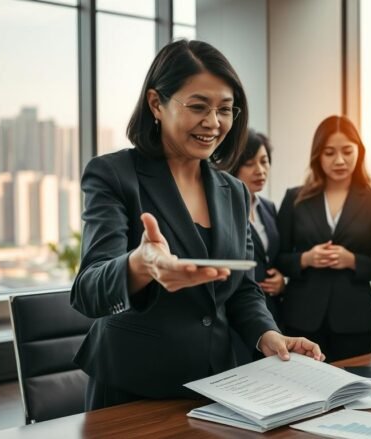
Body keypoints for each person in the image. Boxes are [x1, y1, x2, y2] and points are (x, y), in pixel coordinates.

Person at [71, 40, 323, 411]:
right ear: (156, 103)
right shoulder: (113, 175)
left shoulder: (234, 191)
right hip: (132, 388)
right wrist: (141, 265)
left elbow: (242, 289)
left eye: (225, 109)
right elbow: (88, 290)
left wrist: (267, 335)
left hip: (216, 384)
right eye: (198, 107)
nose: (213, 123)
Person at [275, 115, 371, 362]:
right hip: (301, 317)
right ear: (317, 155)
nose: (339, 160)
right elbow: (277, 258)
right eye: (329, 153)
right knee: (299, 388)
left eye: (347, 151)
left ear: (359, 151)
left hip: (355, 320)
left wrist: (352, 261)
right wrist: (306, 258)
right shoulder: (295, 199)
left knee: (353, 390)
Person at [228, 129, 285, 329]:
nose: (260, 170)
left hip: (271, 311)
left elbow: (274, 257)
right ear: (234, 166)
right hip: (237, 315)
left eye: (264, 161)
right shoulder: (225, 210)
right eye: (249, 163)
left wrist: (281, 280)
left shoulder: (268, 208)